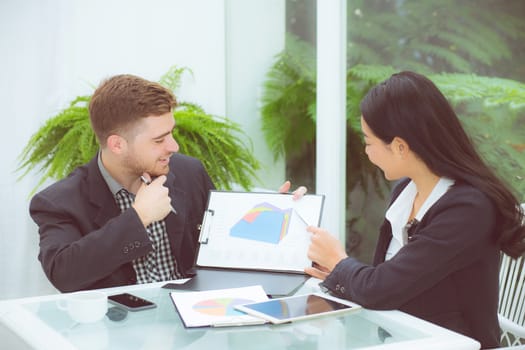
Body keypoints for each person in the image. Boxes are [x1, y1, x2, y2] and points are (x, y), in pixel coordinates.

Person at [305, 71, 525, 349]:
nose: (366, 151)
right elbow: (388, 283)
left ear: (400, 147)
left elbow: (380, 290)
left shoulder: (468, 209)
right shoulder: (406, 192)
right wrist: (339, 272)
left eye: (369, 142)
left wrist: (340, 263)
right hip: (399, 336)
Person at [30, 74, 305, 293]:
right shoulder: (59, 202)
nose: (173, 146)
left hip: (194, 328)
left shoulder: (188, 172)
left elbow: (219, 243)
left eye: (170, 133)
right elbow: (64, 274)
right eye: (159, 140)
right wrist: (138, 218)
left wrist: (271, 216)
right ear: (117, 144)